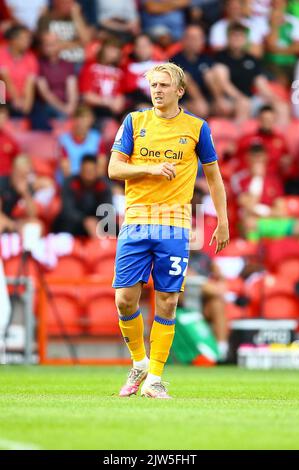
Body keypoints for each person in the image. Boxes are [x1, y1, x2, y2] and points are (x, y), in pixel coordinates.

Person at [108, 63, 229, 399]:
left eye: (164, 85)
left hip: (174, 224)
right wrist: (149, 168)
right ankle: (139, 363)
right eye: (153, 85)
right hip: (135, 221)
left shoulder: (196, 127)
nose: (157, 90)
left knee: (167, 301)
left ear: (180, 91)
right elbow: (114, 168)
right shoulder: (134, 121)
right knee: (124, 300)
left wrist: (223, 220)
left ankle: (155, 378)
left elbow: (214, 176)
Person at [54, 154, 112, 237]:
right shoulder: (70, 183)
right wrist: (84, 220)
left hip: (97, 225)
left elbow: (107, 209)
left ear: (96, 170)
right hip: (73, 225)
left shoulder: (103, 185)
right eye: (86, 171)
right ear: (80, 169)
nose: (88, 174)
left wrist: (97, 222)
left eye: (91, 170)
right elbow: (67, 210)